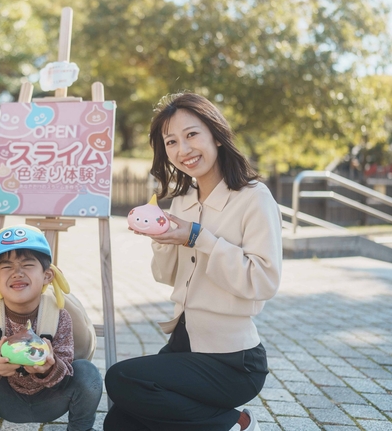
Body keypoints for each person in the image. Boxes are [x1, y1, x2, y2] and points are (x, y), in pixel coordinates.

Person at [104, 93, 282, 431]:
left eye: (191, 135)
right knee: (119, 422)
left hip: (233, 360)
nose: (183, 149)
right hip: (184, 344)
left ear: (216, 135)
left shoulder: (253, 197)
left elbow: (263, 281)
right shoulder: (182, 201)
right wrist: (162, 239)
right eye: (171, 141)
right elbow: (166, 275)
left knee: (121, 378)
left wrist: (198, 237)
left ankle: (238, 423)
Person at [0, 224, 103, 431]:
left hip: (52, 398)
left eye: (28, 265)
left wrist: (49, 368)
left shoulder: (58, 316)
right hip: (4, 399)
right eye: (7, 267)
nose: (17, 273)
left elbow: (66, 363)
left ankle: (81, 428)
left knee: (88, 372)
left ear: (47, 275)